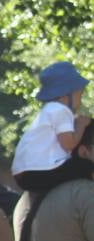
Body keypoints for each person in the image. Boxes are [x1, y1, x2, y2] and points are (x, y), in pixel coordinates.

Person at [12, 61, 89, 193]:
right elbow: (69, 144)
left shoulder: (49, 110)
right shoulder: (61, 110)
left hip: (25, 172)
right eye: (80, 96)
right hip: (39, 171)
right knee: (85, 166)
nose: (80, 101)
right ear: (67, 95)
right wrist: (81, 125)